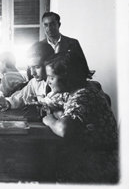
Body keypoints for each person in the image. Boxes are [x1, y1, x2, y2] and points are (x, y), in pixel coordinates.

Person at [42, 51, 118, 183]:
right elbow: (49, 105)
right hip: (92, 156)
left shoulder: (84, 95)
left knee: (43, 169)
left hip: (99, 164)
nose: (48, 81)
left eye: (51, 77)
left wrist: (50, 120)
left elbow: (64, 129)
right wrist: (59, 114)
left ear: (68, 77)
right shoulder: (75, 91)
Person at [0, 42, 54, 109]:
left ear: (50, 64)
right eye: (30, 67)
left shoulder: (61, 84)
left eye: (37, 67)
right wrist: (3, 102)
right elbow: (19, 98)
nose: (32, 73)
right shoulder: (34, 83)